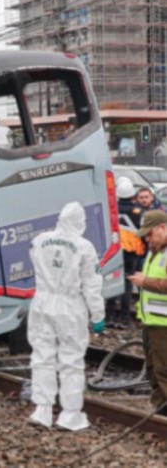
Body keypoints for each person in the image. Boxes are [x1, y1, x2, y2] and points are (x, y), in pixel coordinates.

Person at [27, 201, 105, 431]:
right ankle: (69, 414)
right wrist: (97, 315)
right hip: (69, 306)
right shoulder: (84, 247)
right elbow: (92, 284)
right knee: (71, 360)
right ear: (79, 222)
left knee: (42, 356)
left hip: (42, 302)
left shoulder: (39, 241)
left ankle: (42, 410)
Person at [128, 210, 167, 416]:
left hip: (164, 324)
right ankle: (161, 413)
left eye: (150, 234)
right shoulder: (155, 252)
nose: (147, 239)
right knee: (154, 369)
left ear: (162, 228)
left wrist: (145, 282)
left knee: (164, 369)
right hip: (153, 322)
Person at [115, 176, 146, 328]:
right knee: (127, 285)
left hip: (114, 251)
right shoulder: (138, 211)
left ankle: (110, 316)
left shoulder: (111, 208)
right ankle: (125, 319)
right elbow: (143, 232)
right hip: (131, 253)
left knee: (113, 282)